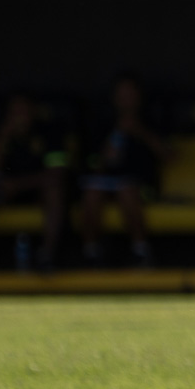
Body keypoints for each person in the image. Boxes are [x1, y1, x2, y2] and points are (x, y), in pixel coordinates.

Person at [0, 93, 68, 274]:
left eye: (24, 112)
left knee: (54, 191)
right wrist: (3, 138)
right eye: (14, 113)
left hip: (35, 192)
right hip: (3, 193)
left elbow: (56, 175)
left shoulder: (49, 133)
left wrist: (18, 185)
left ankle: (47, 256)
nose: (19, 118)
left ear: (33, 113)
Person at [79, 75, 165, 269]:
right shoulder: (103, 122)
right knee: (91, 193)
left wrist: (140, 132)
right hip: (107, 185)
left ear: (139, 96)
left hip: (143, 186)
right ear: (114, 97)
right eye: (122, 94)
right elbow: (93, 165)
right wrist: (108, 152)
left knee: (127, 190)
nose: (126, 99)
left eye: (130, 93)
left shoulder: (151, 119)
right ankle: (91, 253)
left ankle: (141, 251)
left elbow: (169, 155)